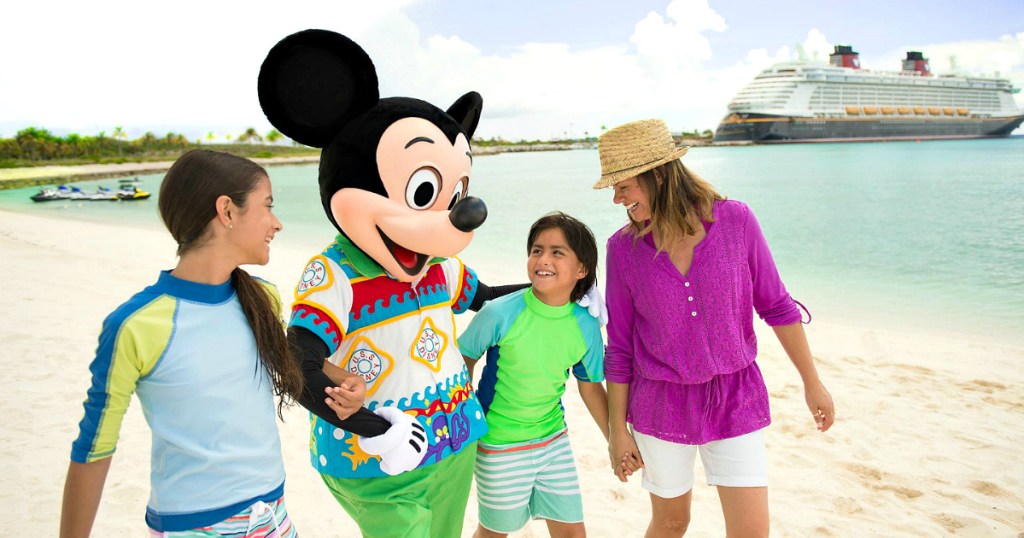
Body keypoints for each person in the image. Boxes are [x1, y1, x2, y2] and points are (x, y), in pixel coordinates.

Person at [59, 149, 355, 537]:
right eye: (267, 206)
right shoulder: (136, 325)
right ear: (227, 212)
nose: (277, 223)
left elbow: (284, 362)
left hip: (273, 515)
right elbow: (94, 448)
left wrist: (345, 381)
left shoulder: (262, 297)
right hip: (193, 526)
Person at [593, 119, 835, 537]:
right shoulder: (622, 249)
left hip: (735, 397)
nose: (616, 198)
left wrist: (812, 382)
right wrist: (617, 432)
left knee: (751, 531)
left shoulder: (736, 221)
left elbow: (776, 304)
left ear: (658, 175)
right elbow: (619, 349)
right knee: (671, 523)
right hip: (660, 402)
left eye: (623, 185)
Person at [459, 212, 609, 538]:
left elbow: (591, 387)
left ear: (582, 269)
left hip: (553, 441)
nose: (543, 259)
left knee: (572, 532)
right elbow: (463, 359)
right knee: (495, 532)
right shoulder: (499, 312)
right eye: (537, 250)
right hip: (498, 444)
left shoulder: (587, 326)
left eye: (558, 252)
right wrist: (464, 418)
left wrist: (615, 439)